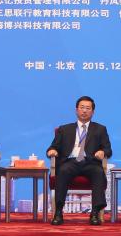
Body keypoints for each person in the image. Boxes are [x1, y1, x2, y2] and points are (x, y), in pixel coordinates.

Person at [47, 96, 113, 226]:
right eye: (82, 107)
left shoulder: (100, 129)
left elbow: (108, 150)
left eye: (88, 108)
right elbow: (53, 147)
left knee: (99, 172)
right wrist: (52, 151)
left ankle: (94, 213)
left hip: (90, 162)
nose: (84, 111)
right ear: (76, 110)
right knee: (62, 171)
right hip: (70, 162)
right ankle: (58, 212)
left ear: (93, 112)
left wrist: (102, 152)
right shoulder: (64, 129)